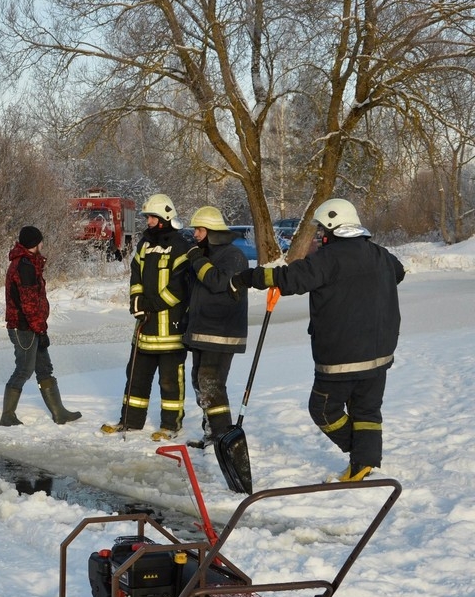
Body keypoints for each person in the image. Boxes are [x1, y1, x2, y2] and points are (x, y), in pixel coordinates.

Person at [231, 198, 404, 482]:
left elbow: (289, 279)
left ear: (333, 228)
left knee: (323, 409)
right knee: (366, 409)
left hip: (341, 356)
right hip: (380, 354)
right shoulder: (380, 255)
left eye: (323, 229)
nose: (320, 235)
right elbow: (399, 272)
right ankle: (364, 462)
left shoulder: (328, 259)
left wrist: (250, 277)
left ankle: (361, 452)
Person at [102, 194, 192, 440]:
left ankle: (170, 426)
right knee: (136, 377)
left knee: (170, 381)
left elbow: (180, 288)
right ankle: (130, 421)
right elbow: (136, 274)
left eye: (152, 217)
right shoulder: (144, 244)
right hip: (145, 328)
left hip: (171, 330)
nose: (148, 221)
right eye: (148, 217)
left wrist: (149, 305)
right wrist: (136, 301)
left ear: (165, 217)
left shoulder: (182, 246)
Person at [0, 225, 81, 426]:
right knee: (24, 370)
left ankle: (59, 413)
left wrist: (40, 329)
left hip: (32, 326)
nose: (43, 244)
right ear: (34, 244)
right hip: (23, 328)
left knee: (44, 368)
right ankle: (7, 415)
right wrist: (40, 330)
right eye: (40, 241)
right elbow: (28, 304)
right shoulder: (24, 266)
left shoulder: (28, 263)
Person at [182, 206, 249, 448]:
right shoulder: (206, 254)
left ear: (212, 231)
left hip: (221, 333)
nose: (195, 235)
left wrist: (197, 259)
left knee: (211, 384)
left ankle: (222, 438)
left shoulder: (232, 256)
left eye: (199, 229)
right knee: (199, 382)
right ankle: (211, 433)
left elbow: (218, 282)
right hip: (202, 331)